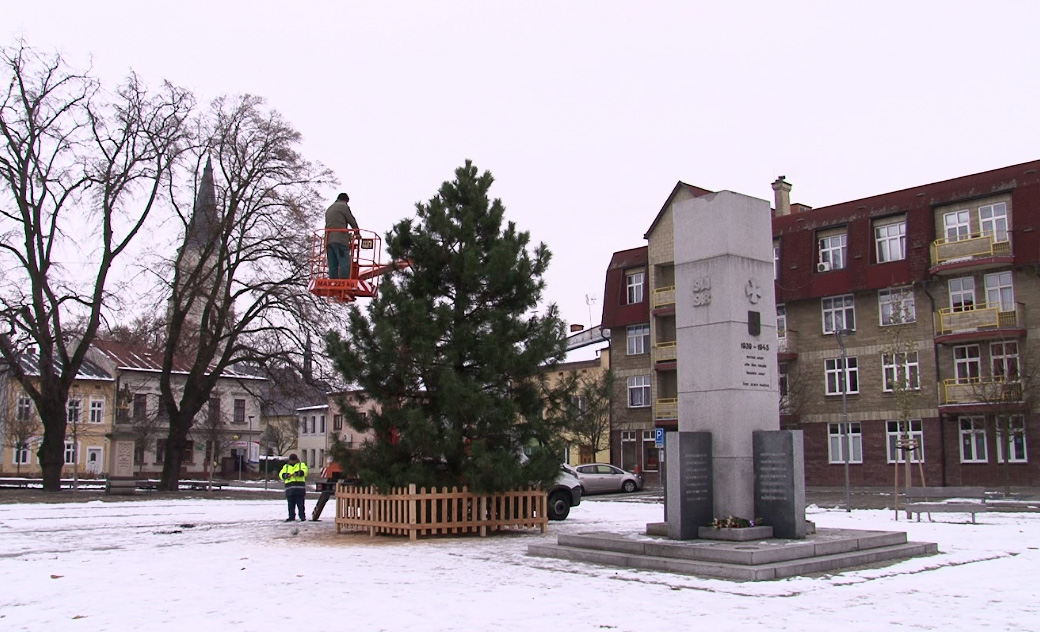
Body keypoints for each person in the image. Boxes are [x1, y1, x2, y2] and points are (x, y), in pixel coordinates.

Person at [325, 192, 359, 279]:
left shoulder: (329, 208)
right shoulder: (344, 206)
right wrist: (357, 233)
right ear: (345, 201)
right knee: (345, 264)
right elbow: (351, 220)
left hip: (328, 240)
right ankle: (344, 282)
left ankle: (333, 282)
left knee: (333, 265)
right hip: (340, 240)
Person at [279, 453, 309, 521]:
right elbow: (281, 474)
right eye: (291, 460)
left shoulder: (301, 465)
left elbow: (305, 471)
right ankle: (291, 517)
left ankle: (302, 517)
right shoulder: (286, 467)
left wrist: (298, 473)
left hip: (299, 489)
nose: (292, 462)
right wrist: (286, 475)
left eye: (293, 460)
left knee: (300, 504)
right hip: (289, 489)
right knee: (290, 504)